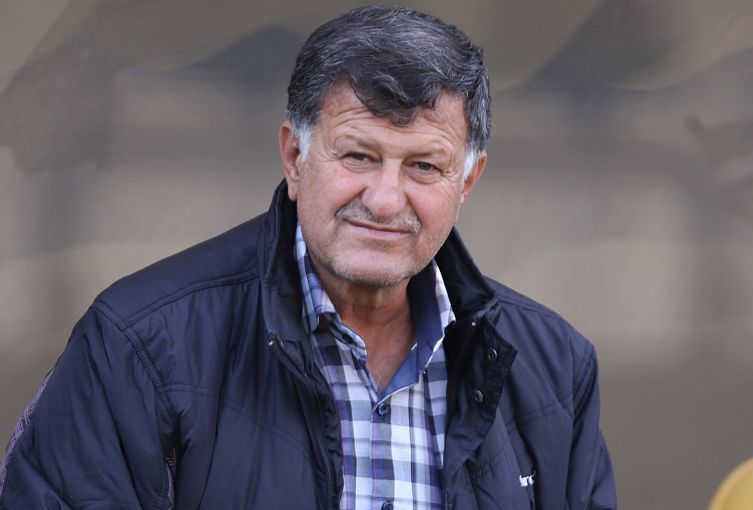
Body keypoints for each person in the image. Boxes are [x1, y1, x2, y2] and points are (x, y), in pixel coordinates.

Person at [0, 5, 616, 509]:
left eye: (424, 166)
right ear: (294, 158)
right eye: (358, 156)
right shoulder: (139, 345)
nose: (385, 199)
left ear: (468, 182)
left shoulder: (556, 370)